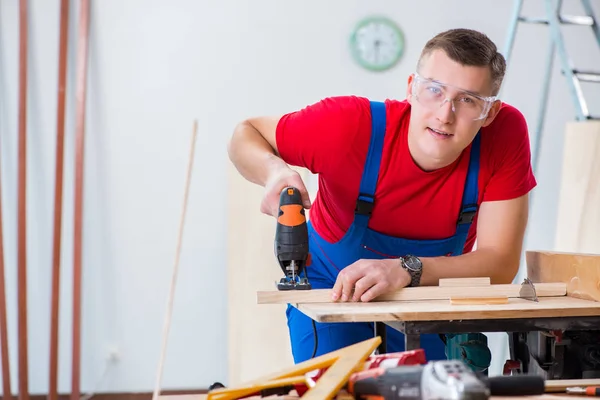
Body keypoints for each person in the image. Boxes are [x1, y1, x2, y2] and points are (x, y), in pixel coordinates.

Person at [227, 28, 537, 364]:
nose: (445, 114)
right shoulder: (349, 126)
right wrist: (274, 171)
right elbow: (248, 133)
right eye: (434, 90)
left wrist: (406, 269)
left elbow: (501, 264)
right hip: (334, 290)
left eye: (467, 100)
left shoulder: (504, 134)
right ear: (410, 89)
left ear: (489, 113)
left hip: (431, 297)